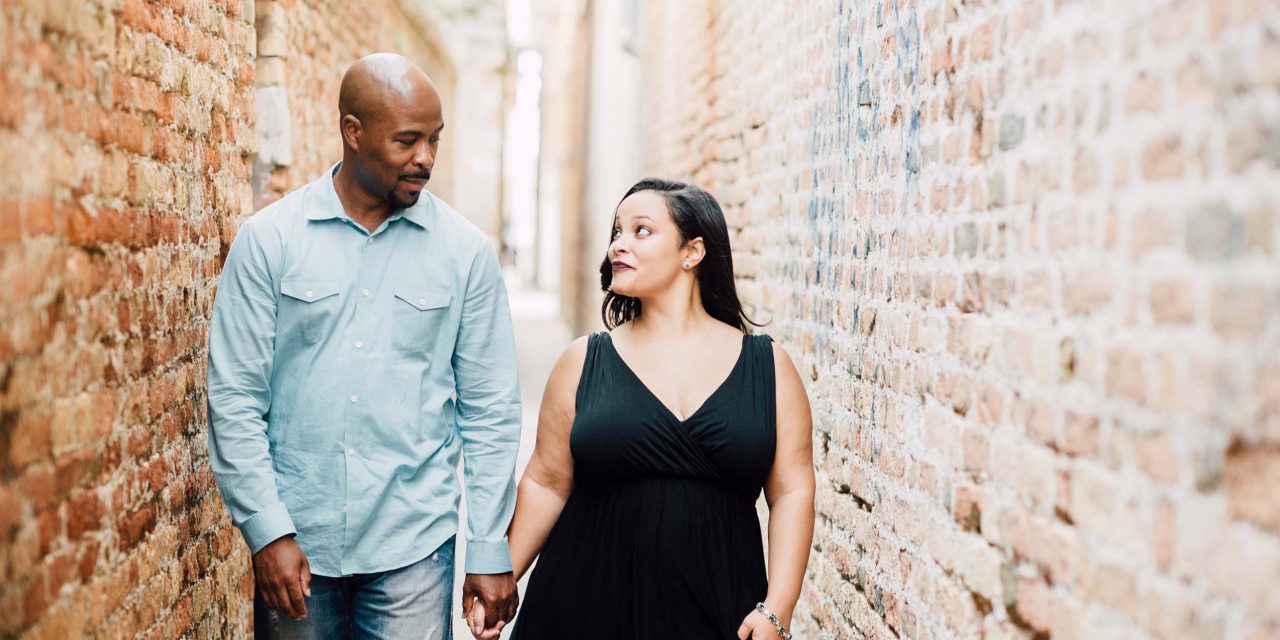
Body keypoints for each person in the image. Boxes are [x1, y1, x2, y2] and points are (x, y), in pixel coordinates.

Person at [206, 53, 521, 639]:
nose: (425, 158)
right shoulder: (270, 242)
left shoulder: (466, 254)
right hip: (298, 543)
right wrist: (267, 530)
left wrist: (488, 547)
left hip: (414, 546)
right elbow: (235, 396)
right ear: (353, 131)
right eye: (407, 140)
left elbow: (491, 410)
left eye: (434, 139)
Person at [471, 178, 815, 639]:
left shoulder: (768, 366)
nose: (619, 244)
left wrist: (778, 608)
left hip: (719, 605)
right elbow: (546, 482)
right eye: (617, 231)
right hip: (584, 606)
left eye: (641, 231)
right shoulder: (584, 361)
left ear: (692, 252)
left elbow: (792, 490)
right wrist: (499, 582)